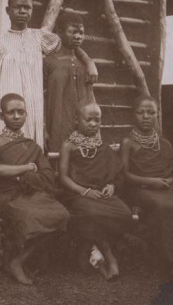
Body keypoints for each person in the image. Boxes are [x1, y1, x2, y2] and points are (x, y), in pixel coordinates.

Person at [0, 0, 98, 150]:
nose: (23, 11)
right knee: (5, 149)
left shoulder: (40, 37)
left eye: (27, 7)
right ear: (8, 10)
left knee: (31, 149)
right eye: (18, 7)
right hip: (4, 108)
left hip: (32, 107)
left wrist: (89, 61)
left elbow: (70, 44)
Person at [120, 95, 173, 286]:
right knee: (164, 207)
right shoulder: (128, 143)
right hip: (141, 188)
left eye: (151, 112)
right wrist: (151, 182)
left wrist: (170, 180)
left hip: (166, 187)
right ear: (133, 115)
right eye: (141, 112)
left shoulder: (164, 143)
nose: (146, 116)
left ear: (157, 115)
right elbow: (125, 175)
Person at [0, 93, 69, 285]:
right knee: (31, 216)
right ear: (2, 116)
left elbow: (47, 173)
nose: (16, 116)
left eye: (20, 112)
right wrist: (27, 168)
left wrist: (27, 177)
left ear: (26, 115)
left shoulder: (33, 146)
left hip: (32, 194)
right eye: (11, 112)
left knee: (62, 214)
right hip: (7, 196)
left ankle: (18, 261)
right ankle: (16, 263)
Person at [59, 100, 132, 281]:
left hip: (102, 194)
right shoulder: (68, 145)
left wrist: (111, 186)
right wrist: (85, 192)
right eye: (88, 119)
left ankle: (91, 250)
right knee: (90, 213)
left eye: (97, 120)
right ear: (77, 120)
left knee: (125, 213)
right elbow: (63, 177)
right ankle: (109, 257)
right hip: (78, 194)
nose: (93, 124)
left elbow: (115, 172)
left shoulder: (103, 144)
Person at [43, 12, 96, 152]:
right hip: (57, 124)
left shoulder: (86, 65)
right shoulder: (49, 62)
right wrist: (43, 128)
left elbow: (91, 97)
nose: (78, 36)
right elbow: (39, 97)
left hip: (83, 124)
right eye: (72, 32)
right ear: (60, 32)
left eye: (81, 33)